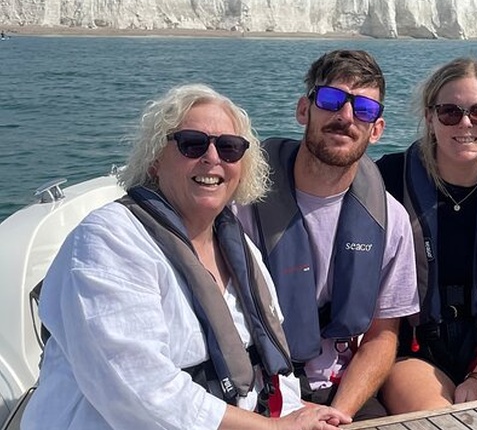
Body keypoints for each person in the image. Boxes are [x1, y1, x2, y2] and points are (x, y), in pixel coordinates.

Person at [21, 84, 350, 430]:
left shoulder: (239, 247)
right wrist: (271, 428)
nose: (212, 158)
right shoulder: (106, 241)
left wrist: (298, 416)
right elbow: (138, 387)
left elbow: (272, 369)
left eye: (229, 148)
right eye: (192, 143)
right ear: (155, 160)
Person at [235, 50, 419, 420]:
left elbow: (383, 335)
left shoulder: (390, 220)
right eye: (332, 100)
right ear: (304, 109)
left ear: (377, 129)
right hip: (256, 389)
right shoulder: (241, 205)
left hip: (343, 396)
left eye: (364, 109)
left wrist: (337, 414)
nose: (346, 117)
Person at [375, 58, 477, 412]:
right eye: (450, 112)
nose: (465, 123)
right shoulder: (388, 178)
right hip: (415, 350)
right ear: (430, 117)